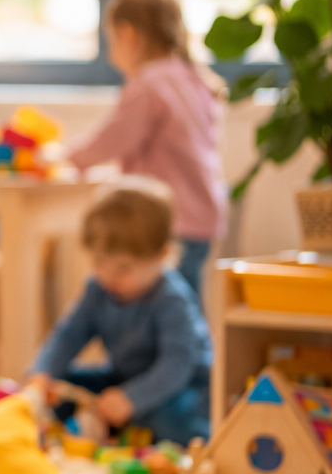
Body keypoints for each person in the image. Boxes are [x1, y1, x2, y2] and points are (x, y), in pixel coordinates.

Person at [68, 0, 228, 305]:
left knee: (163, 307)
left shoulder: (149, 83)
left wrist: (67, 157)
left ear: (128, 34)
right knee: (186, 305)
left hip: (166, 220)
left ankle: (175, 356)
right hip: (203, 215)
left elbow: (112, 139)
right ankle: (193, 354)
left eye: (111, 40)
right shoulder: (193, 77)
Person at [27, 179, 212, 445]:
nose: (108, 276)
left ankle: (130, 424)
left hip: (183, 388)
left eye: (123, 268)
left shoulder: (171, 299)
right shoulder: (97, 288)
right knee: (62, 389)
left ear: (162, 255)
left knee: (172, 420)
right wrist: (43, 374)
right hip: (124, 378)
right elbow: (69, 335)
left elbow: (176, 366)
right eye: (99, 262)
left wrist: (132, 398)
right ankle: (119, 423)